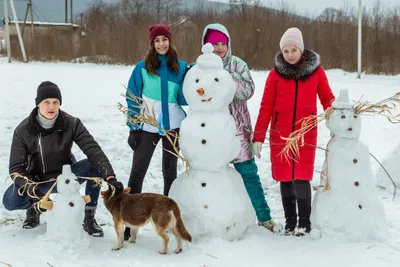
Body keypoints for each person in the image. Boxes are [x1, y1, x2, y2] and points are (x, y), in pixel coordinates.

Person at [2, 81, 124, 237]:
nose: (51, 107)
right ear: (38, 104)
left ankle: (88, 216)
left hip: (66, 177)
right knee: (10, 201)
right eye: (46, 102)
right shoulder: (23, 130)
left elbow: (93, 150)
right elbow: (16, 169)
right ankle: (35, 207)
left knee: (94, 165)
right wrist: (30, 187)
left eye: (55, 102)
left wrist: (110, 176)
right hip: (38, 181)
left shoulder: (71, 123)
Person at [253, 27, 335, 235]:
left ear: (301, 49)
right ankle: (290, 222)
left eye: (294, 50)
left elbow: (327, 99)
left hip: (305, 134)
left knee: (301, 177)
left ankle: (304, 223)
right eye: (286, 51)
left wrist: (338, 117)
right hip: (280, 134)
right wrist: (258, 137)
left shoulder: (316, 72)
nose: (290, 55)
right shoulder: (275, 75)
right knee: (285, 178)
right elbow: (266, 107)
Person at [202, 23, 276, 232]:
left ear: (228, 44)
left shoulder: (238, 65)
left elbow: (248, 91)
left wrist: (227, 77)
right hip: (213, 133)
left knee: (248, 173)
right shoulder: (200, 67)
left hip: (238, 131)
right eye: (213, 44)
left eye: (222, 43)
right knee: (214, 175)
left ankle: (264, 217)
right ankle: (214, 219)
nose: (218, 48)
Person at [124, 24, 187, 239]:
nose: (161, 44)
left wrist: (197, 75)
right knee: (137, 173)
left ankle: (167, 219)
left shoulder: (181, 67)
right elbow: (132, 97)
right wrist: (134, 128)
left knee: (170, 172)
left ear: (170, 41)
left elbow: (184, 97)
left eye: (164, 39)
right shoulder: (142, 67)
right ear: (152, 43)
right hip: (148, 127)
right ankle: (128, 222)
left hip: (173, 128)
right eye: (157, 40)